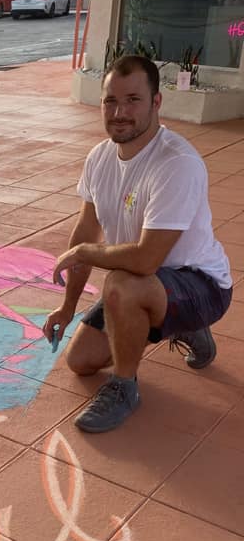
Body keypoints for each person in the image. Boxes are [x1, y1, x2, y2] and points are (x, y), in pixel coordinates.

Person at [43, 54, 232, 434]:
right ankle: (174, 327)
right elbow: (86, 230)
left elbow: (145, 259)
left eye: (133, 100)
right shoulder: (99, 158)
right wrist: (66, 308)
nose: (120, 112)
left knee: (121, 285)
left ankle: (125, 387)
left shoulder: (176, 163)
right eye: (111, 101)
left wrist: (83, 254)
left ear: (156, 103)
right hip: (145, 281)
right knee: (80, 360)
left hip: (200, 284)